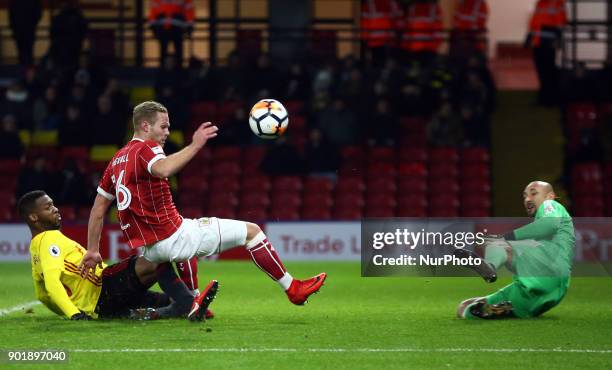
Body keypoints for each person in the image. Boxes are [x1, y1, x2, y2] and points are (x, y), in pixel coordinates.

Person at [79, 101, 326, 319]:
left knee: (187, 233)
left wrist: (92, 249)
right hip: (171, 236)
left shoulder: (116, 160)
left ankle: (194, 301)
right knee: (252, 232)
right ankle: (293, 288)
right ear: (145, 126)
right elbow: (163, 169)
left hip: (150, 248)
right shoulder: (147, 148)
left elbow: (98, 208)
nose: (167, 132)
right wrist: (195, 145)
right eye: (163, 126)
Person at [18, 190, 210, 320]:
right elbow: (51, 284)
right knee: (157, 257)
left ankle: (175, 308)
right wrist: (74, 314)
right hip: (104, 288)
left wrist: (77, 309)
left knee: (167, 299)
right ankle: (189, 303)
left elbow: (42, 294)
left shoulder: (38, 247)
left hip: (103, 304)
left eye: (53, 205)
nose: (55, 209)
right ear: (34, 217)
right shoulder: (48, 239)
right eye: (48, 207)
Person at [456, 181, 574, 319]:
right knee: (465, 309)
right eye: (525, 196)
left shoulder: (550, 205)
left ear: (550, 196)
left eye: (534, 193)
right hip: (551, 291)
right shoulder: (543, 236)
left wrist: (507, 237)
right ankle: (501, 308)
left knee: (498, 243)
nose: (528, 199)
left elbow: (549, 225)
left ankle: (489, 266)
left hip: (548, 269)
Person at [525, 0, 566, 106]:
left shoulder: (557, 3)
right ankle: (544, 99)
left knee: (549, 72)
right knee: (542, 72)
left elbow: (561, 23)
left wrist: (558, 40)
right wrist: (529, 36)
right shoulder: (540, 3)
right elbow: (534, 22)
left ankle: (551, 99)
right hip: (538, 43)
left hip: (548, 44)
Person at [148, 0, 194, 67]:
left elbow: (189, 9)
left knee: (175, 52)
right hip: (168, 27)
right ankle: (167, 69)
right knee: (167, 52)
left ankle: (173, 69)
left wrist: (153, 26)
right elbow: (153, 9)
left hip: (174, 27)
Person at [9, 0, 42, 66]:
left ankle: (23, 70)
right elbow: (38, 13)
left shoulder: (15, 2)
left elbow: (11, 15)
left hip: (19, 29)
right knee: (28, 52)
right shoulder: (33, 2)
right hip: (29, 29)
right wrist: (33, 23)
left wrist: (14, 27)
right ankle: (28, 71)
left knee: (22, 53)